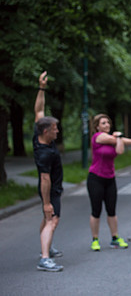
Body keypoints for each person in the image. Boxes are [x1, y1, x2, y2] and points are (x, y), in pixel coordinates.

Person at [87, 113, 131, 251]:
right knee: (96, 210)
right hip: (95, 178)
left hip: (110, 179)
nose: (107, 125)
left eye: (108, 123)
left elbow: (120, 150)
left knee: (112, 210)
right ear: (97, 126)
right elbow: (113, 140)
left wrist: (125, 139)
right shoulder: (98, 137)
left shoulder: (115, 139)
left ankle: (115, 238)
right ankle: (95, 239)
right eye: (103, 123)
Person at [33, 71, 64, 272]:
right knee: (52, 220)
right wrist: (46, 202)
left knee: (48, 221)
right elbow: (45, 179)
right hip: (50, 190)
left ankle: (47, 248)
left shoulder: (39, 136)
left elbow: (38, 110)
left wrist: (41, 87)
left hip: (51, 190)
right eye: (55, 129)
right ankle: (45, 258)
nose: (57, 131)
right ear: (46, 131)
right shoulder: (45, 153)